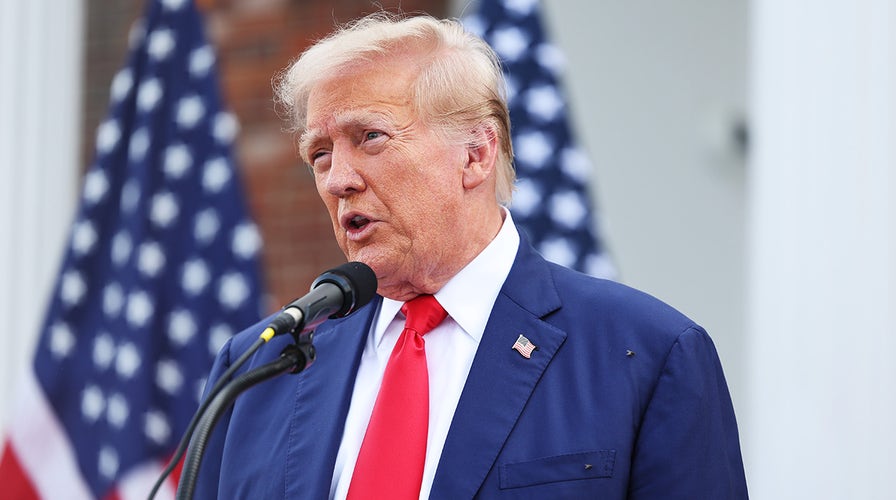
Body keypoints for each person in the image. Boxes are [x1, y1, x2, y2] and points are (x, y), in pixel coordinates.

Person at [194, 12, 748, 499]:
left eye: (371, 138)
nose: (338, 179)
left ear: (476, 155)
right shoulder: (259, 368)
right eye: (319, 153)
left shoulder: (646, 354)